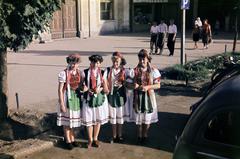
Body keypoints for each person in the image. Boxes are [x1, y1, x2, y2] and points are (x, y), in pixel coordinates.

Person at [132, 49, 161, 145]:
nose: (142, 61)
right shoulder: (134, 71)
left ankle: (145, 135)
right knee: (139, 118)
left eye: (143, 59)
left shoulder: (153, 71)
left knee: (147, 117)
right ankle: (139, 136)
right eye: (140, 59)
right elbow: (128, 84)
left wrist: (148, 87)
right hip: (138, 97)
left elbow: (158, 85)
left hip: (149, 97)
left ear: (148, 59)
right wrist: (134, 85)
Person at [81, 54, 109, 148]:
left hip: (99, 99)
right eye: (94, 62)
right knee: (89, 120)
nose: (95, 64)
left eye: (97, 62)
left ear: (100, 63)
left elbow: (105, 87)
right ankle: (90, 139)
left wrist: (100, 89)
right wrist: (84, 88)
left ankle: (95, 138)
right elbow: (81, 85)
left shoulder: (103, 72)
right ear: (91, 62)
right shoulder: (85, 72)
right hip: (88, 98)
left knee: (97, 119)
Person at [57, 53, 82, 150]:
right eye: (72, 62)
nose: (73, 65)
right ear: (69, 62)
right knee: (67, 122)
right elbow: (59, 90)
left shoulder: (79, 73)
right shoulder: (63, 73)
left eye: (75, 63)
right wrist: (62, 104)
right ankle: (67, 141)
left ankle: (72, 139)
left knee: (72, 122)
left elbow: (80, 86)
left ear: (78, 64)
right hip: (67, 98)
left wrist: (83, 88)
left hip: (75, 98)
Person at [104, 51, 129, 143]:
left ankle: (120, 135)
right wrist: (107, 87)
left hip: (121, 95)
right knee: (113, 116)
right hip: (112, 96)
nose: (115, 63)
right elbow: (104, 80)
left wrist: (123, 83)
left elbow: (129, 82)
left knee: (120, 116)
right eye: (114, 61)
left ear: (120, 61)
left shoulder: (125, 70)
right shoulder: (108, 70)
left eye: (117, 61)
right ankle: (114, 136)